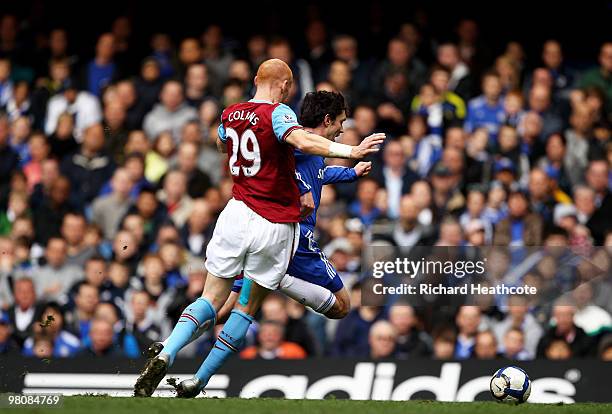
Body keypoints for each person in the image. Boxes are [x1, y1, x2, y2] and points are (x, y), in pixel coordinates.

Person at [133, 58, 383, 398]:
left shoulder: (230, 113)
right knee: (246, 308)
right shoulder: (280, 114)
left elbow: (223, 144)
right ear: (284, 86)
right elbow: (303, 142)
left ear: (255, 79)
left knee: (211, 299)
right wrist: (350, 151)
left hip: (235, 213)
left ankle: (166, 352)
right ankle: (200, 379)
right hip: (274, 223)